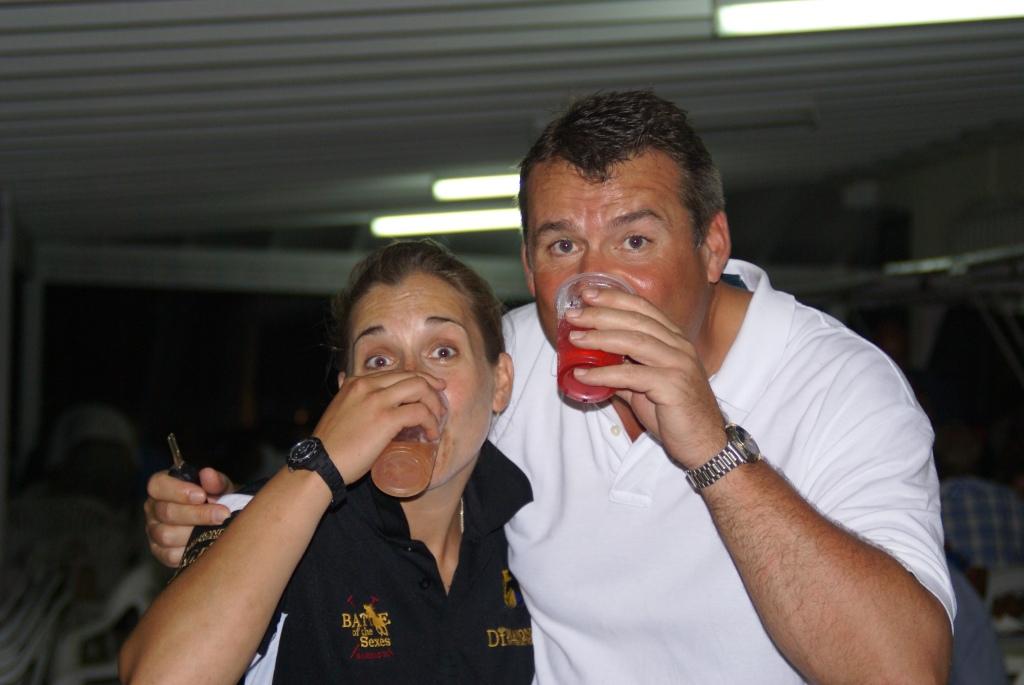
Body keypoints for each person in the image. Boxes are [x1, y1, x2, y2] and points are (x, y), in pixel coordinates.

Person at [142, 90, 954, 683]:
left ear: (713, 246)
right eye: (563, 246)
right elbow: (373, 453)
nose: (594, 283)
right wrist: (214, 527)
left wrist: (712, 446)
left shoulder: (839, 387)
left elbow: (903, 672)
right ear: (529, 268)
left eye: (634, 240)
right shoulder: (512, 361)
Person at [120, 241, 533, 683]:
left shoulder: (527, 533)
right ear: (346, 393)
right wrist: (321, 461)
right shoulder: (281, 517)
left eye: (443, 352)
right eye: (379, 360)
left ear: (500, 382)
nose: (409, 382)